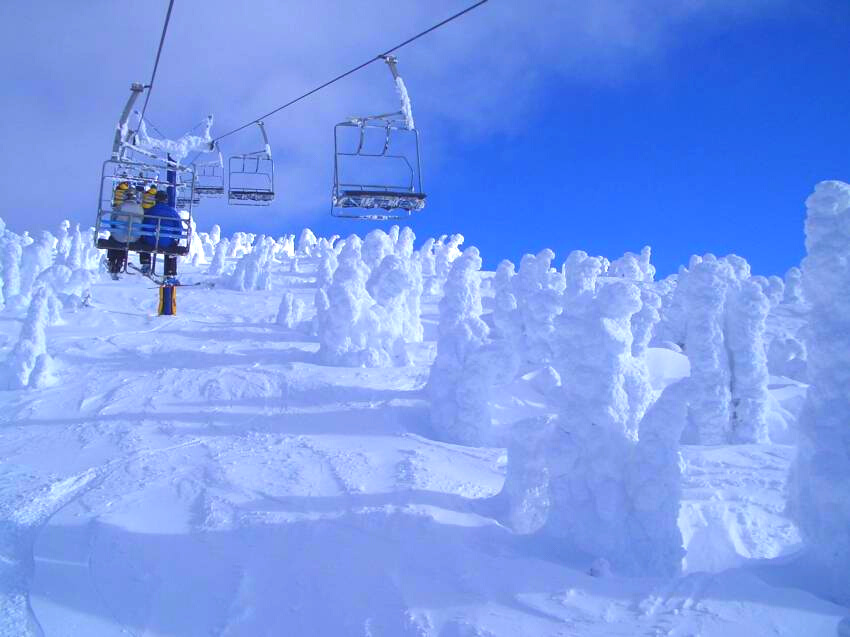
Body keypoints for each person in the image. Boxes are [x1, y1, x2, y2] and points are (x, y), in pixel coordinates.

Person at [140, 189, 184, 282]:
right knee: (172, 248)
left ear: (155, 199)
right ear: (166, 200)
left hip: (150, 241)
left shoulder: (150, 211)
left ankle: (146, 264)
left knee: (142, 239)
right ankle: (170, 273)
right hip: (166, 242)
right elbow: (179, 228)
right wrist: (175, 240)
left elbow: (143, 226)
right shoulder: (172, 212)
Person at [107, 181, 144, 278]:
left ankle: (112, 262)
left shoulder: (120, 207)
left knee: (115, 238)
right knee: (126, 238)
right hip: (134, 238)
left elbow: (112, 221)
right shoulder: (140, 209)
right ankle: (119, 262)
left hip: (119, 236)